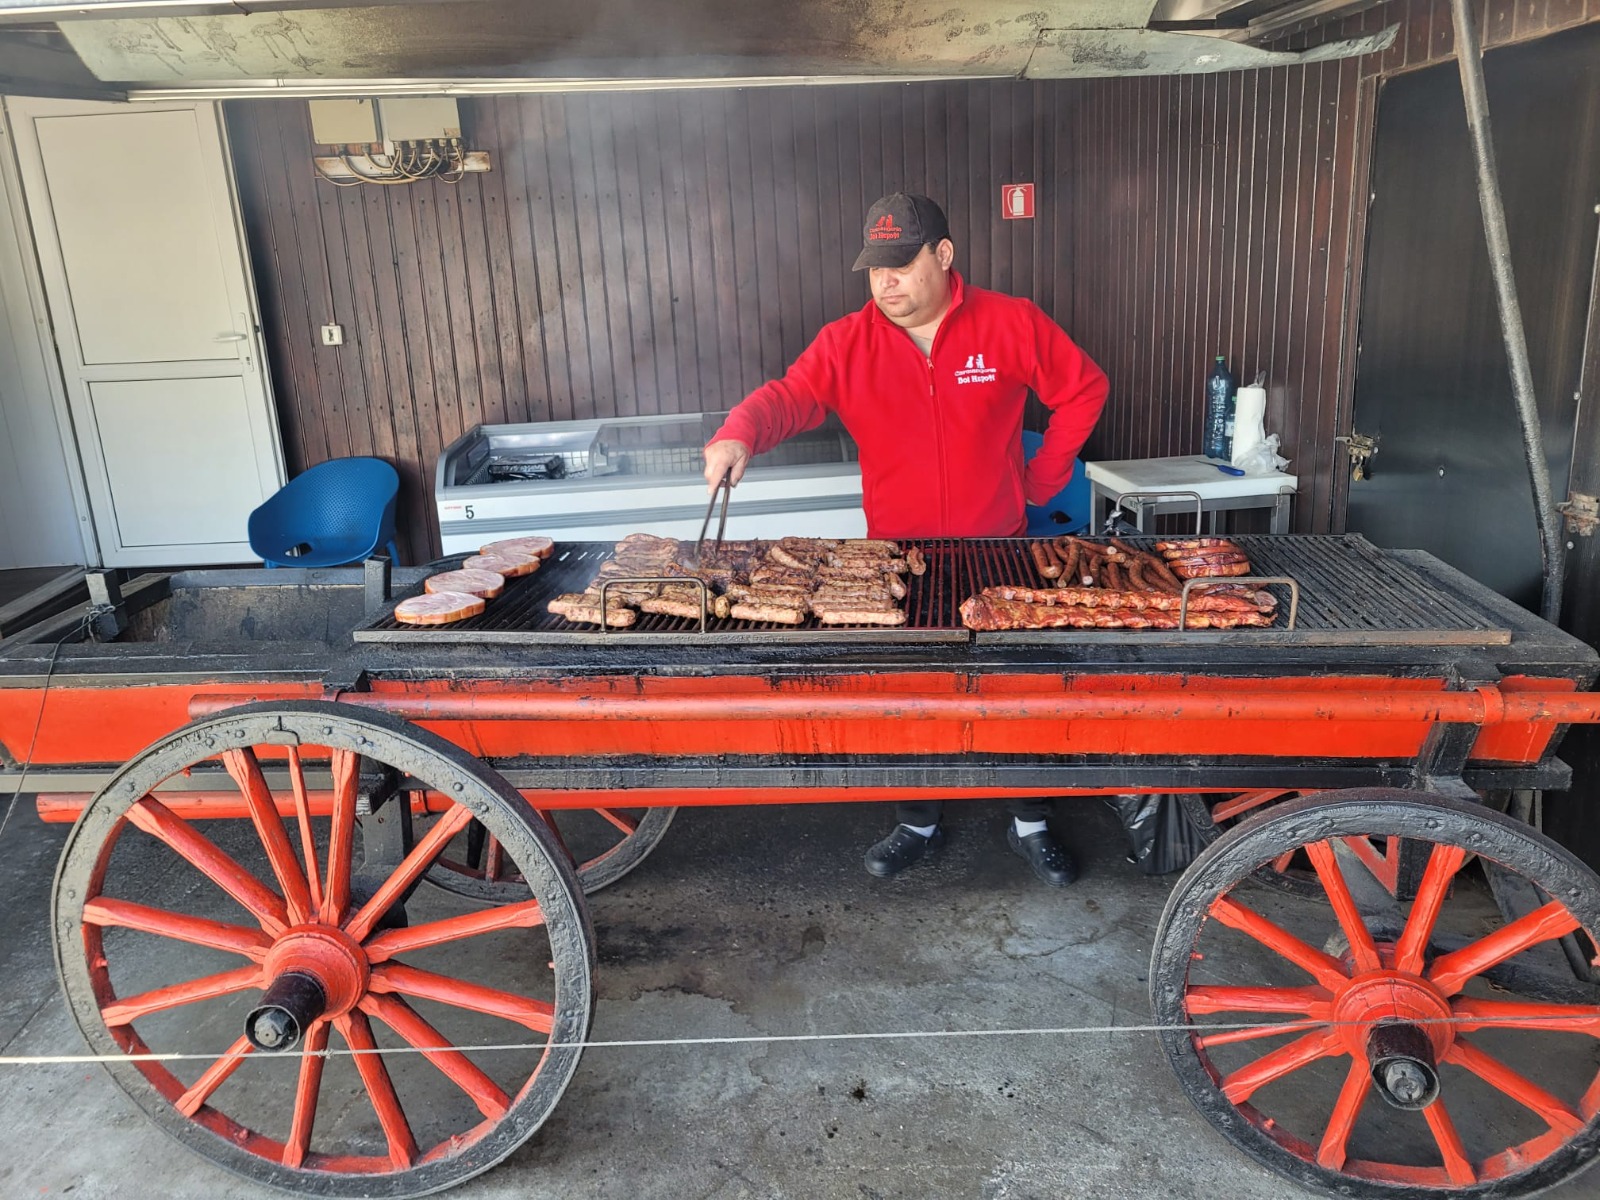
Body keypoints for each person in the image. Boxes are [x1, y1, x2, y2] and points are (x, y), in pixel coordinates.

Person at [702, 192, 1108, 887]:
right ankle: (919, 821)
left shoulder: (1010, 322)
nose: (885, 283)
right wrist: (738, 431)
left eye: (901, 266)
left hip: (998, 550)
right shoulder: (846, 342)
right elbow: (788, 394)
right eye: (874, 270)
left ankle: (1031, 822)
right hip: (900, 558)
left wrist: (1042, 479)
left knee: (1015, 694)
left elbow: (1083, 388)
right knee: (912, 697)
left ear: (943, 257)